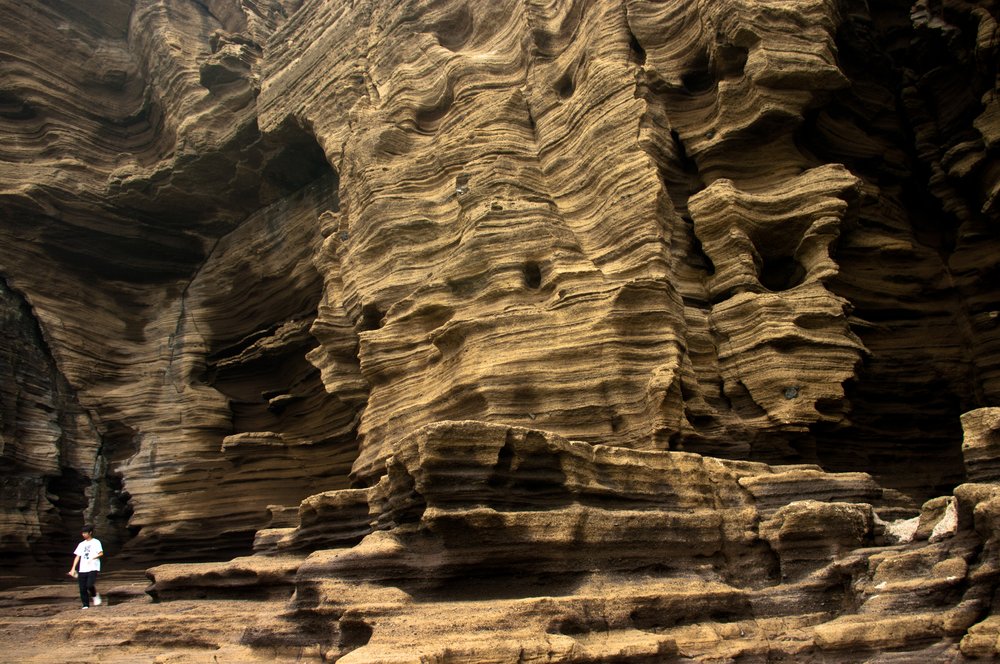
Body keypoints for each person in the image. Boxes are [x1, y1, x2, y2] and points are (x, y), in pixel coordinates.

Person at [68, 525, 104, 609]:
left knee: (89, 585)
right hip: (83, 568)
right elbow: (77, 556)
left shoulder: (96, 542)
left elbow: (101, 553)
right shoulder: (81, 544)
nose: (83, 534)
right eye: (82, 533)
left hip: (93, 567)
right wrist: (73, 568)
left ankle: (95, 595)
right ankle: (85, 605)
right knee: (82, 588)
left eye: (85, 533)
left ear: (90, 533)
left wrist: (93, 558)